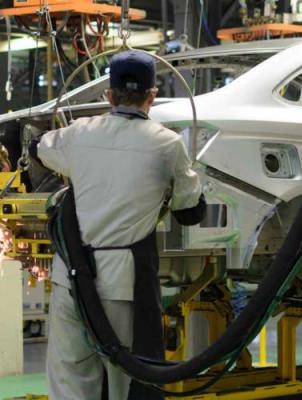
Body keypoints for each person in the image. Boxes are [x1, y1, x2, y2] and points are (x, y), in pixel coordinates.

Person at [33, 50, 206, 400]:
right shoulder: (167, 143)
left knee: (70, 379)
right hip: (121, 282)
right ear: (152, 96)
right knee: (124, 377)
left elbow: (39, 148)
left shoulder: (79, 132)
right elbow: (190, 211)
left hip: (70, 279)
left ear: (108, 96)